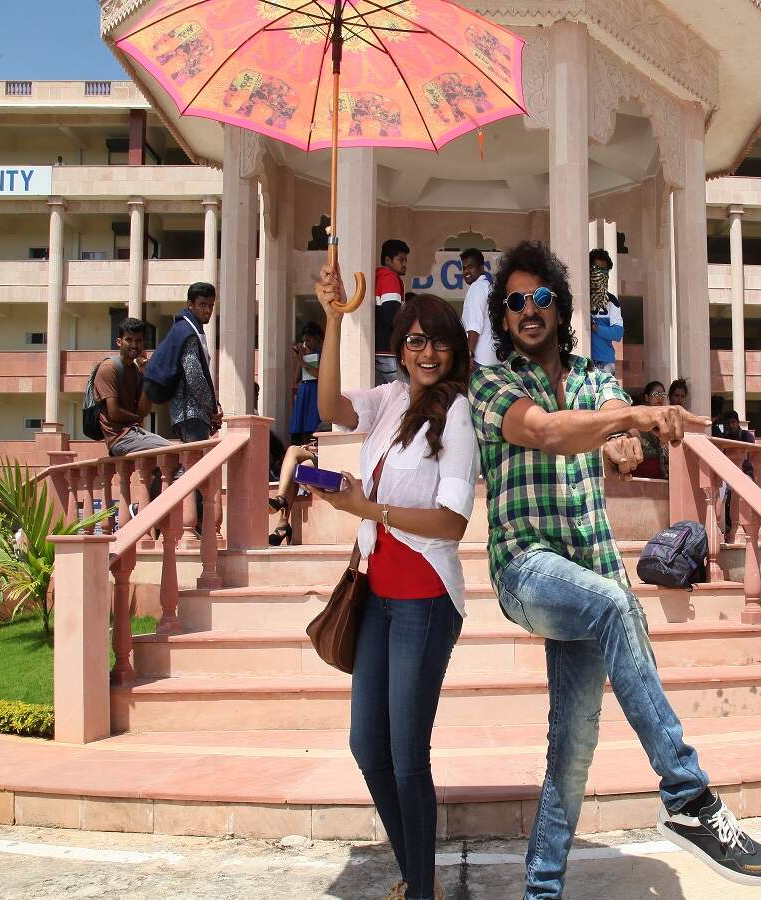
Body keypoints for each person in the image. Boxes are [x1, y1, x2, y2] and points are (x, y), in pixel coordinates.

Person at [468, 241, 761, 898]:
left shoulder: (595, 377)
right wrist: (633, 417)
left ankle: (540, 893)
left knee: (572, 751)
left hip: (592, 573)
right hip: (527, 571)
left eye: (541, 297)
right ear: (503, 316)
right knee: (614, 604)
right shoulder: (492, 384)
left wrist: (624, 441)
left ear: (560, 307)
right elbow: (548, 431)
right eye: (515, 301)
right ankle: (689, 796)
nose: (528, 310)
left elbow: (612, 430)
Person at [313, 261, 479, 900]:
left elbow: (451, 522)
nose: (427, 353)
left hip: (425, 600)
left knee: (408, 756)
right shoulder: (387, 402)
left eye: (439, 342)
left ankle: (421, 887)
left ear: (454, 350)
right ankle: (416, 875)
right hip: (378, 596)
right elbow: (329, 406)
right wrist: (333, 318)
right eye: (415, 341)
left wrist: (369, 508)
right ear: (400, 349)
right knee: (367, 746)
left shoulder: (456, 414)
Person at [148, 282, 223, 443]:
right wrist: (213, 408)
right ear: (190, 304)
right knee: (196, 458)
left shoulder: (188, 329)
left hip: (189, 415)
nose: (208, 310)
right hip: (190, 414)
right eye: (202, 305)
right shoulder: (187, 332)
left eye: (211, 305)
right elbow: (194, 377)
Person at [94, 318, 171, 457]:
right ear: (119, 342)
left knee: (172, 458)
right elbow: (114, 412)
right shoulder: (109, 368)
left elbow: (143, 411)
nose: (134, 345)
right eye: (129, 340)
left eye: (138, 340)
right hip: (120, 439)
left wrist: (146, 376)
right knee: (173, 450)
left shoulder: (135, 371)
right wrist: (137, 418)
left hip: (134, 434)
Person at [268, 440, 317, 546]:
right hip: (320, 451)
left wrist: (315, 448)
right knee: (292, 452)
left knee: (294, 455)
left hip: (329, 453)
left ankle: (282, 523)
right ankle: (280, 505)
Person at [376, 239, 410, 385]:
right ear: (387, 260)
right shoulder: (390, 278)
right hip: (388, 352)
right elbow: (393, 316)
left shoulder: (377, 277)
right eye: (400, 259)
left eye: (406, 260)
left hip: (376, 350)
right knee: (405, 393)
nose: (404, 263)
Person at [718, 409, 756, 538]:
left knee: (747, 489)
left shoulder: (747, 437)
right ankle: (721, 528)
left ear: (738, 422)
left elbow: (751, 457)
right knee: (720, 489)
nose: (731, 425)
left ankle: (744, 527)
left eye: (733, 422)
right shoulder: (724, 438)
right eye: (728, 423)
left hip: (744, 472)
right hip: (727, 473)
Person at [459, 247, 497, 367]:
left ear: (481, 268)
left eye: (470, 267)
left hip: (479, 358)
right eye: (464, 268)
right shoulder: (488, 287)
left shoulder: (477, 288)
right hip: (493, 357)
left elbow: (474, 326)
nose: (466, 271)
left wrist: (469, 354)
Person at [289, 321, 325, 446]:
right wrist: (301, 358)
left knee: (312, 422)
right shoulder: (305, 355)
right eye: (304, 341)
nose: (306, 344)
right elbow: (295, 378)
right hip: (304, 390)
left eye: (308, 341)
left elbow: (318, 374)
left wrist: (302, 361)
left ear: (317, 338)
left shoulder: (322, 354)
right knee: (301, 425)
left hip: (315, 390)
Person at [589, 248, 623, 377]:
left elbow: (618, 333)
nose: (600, 274)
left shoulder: (612, 301)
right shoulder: (579, 298)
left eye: (604, 271)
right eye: (597, 269)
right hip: (581, 359)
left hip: (605, 363)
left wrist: (596, 327)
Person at [633, 381, 669, 479]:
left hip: (662, 478)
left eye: (662, 395)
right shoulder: (637, 420)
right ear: (646, 397)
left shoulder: (666, 422)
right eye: (656, 394)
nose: (660, 397)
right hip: (640, 478)